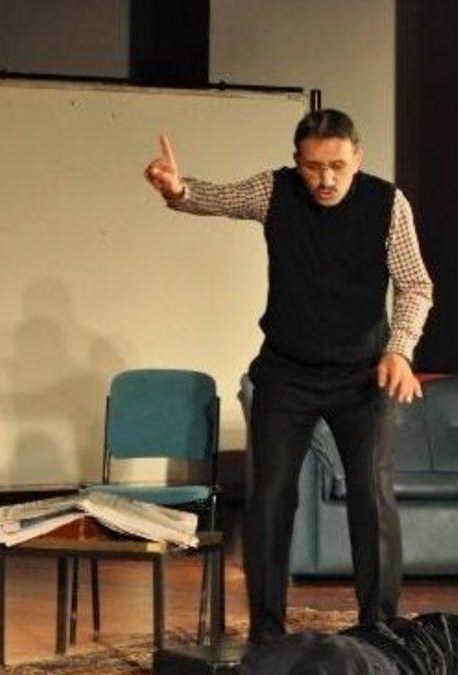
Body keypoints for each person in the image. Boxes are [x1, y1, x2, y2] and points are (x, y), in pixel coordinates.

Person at [144, 110, 434, 642]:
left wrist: (399, 350)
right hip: (286, 373)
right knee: (271, 499)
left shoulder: (388, 203)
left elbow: (415, 285)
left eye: (337, 167)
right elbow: (221, 198)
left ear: (357, 158)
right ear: (297, 161)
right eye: (313, 167)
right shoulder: (274, 190)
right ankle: (267, 632)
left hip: (361, 377)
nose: (325, 180)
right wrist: (178, 190)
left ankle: (378, 628)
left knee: (372, 498)